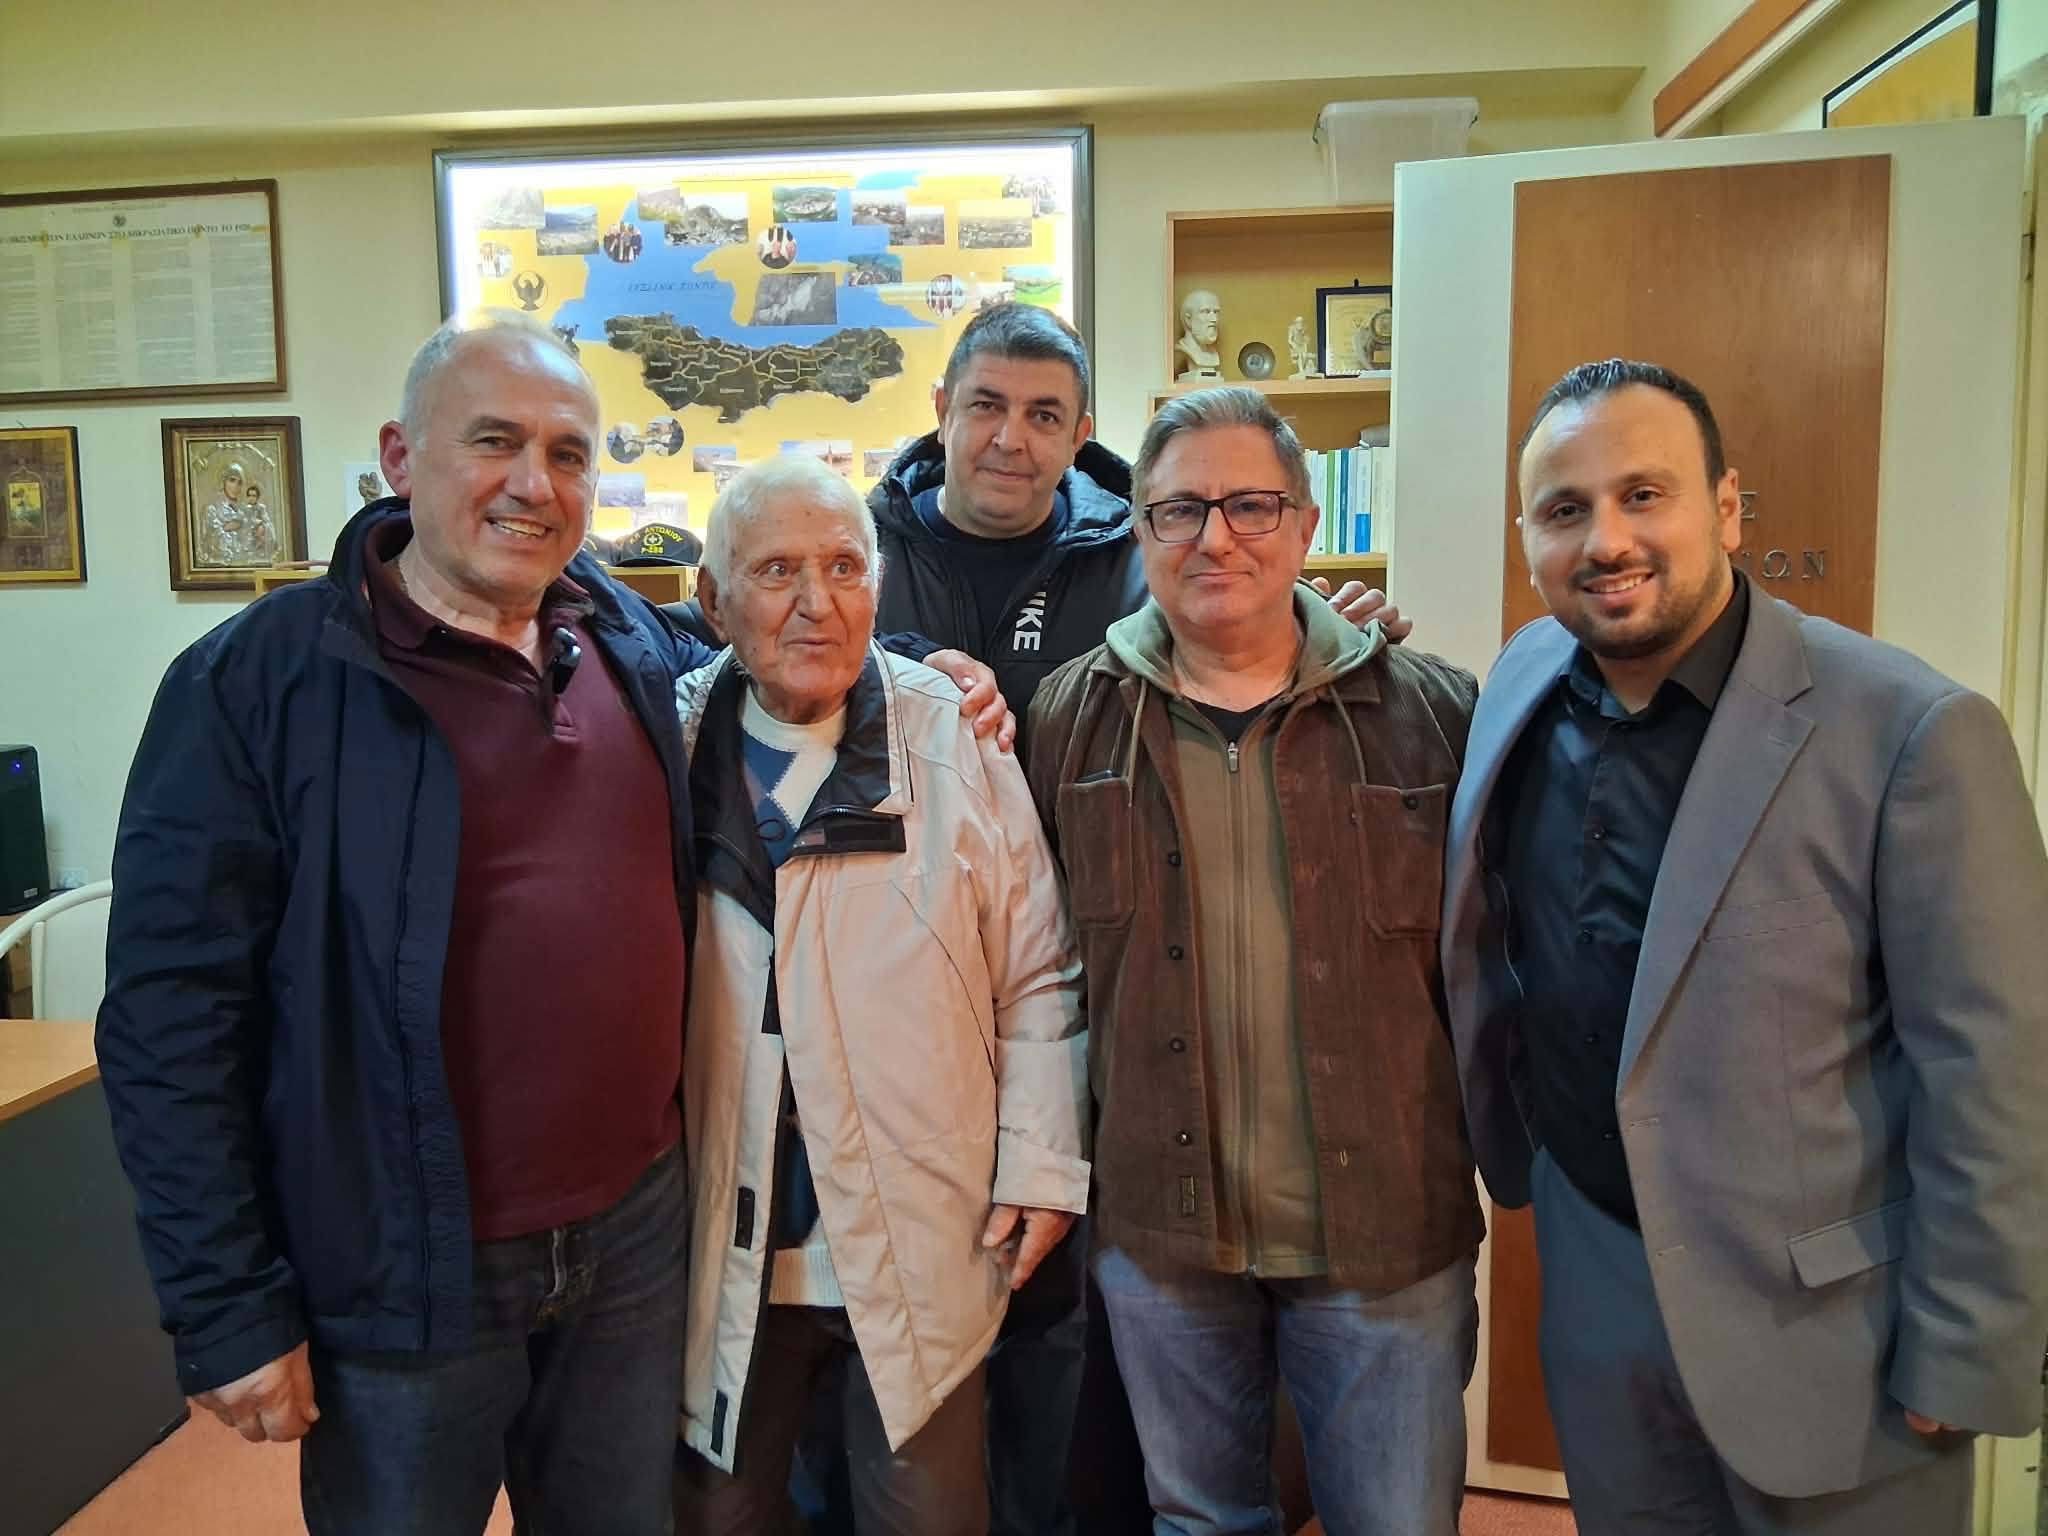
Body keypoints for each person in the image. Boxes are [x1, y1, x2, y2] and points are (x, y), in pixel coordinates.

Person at [96, 310, 1008, 1536]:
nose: (534, 483)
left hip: (634, 1248)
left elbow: (780, 634)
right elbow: (169, 1022)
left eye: (567, 454)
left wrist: (923, 662)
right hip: (404, 1270)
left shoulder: (623, 641)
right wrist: (224, 1306)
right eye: (494, 442)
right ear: (400, 458)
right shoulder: (256, 686)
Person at [1441, 359, 2048, 1535]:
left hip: (1829, 1330)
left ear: (1725, 508)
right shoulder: (1517, 680)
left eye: (1642, 494)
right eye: (1564, 509)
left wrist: (1967, 1344)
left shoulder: (1911, 732)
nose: (1605, 540)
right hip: (1595, 1279)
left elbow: (1996, 1071)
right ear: (1527, 539)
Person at [864, 301, 1407, 1536]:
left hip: (1099, 1002)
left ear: (1080, 432)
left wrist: (1328, 625)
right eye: (985, 407)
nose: (1010, 438)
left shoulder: (1136, 548)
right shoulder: (860, 552)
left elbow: (1241, 623)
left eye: (1043, 414)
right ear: (940, 412)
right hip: (904, 1001)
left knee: (1085, 1361)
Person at [1027, 385, 1484, 1536]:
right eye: (1178, 509)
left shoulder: (1431, 713)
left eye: (1249, 505)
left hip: (1383, 1236)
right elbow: (1042, 970)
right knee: (1197, 1520)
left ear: (1304, 524)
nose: (1214, 537)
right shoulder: (1068, 719)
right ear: (1139, 529)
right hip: (1161, 1234)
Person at [670, 454, 1089, 1536]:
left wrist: (1041, 1164)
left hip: (922, 1229)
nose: (817, 602)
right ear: (711, 600)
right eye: (776, 571)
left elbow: (1037, 969)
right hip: (725, 1245)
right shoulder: (670, 746)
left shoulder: (950, 731)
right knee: (721, 1515)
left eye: (845, 567)